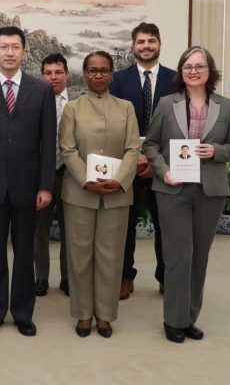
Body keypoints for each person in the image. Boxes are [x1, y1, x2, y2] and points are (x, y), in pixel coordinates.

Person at [143, 46, 230, 344]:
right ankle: (173, 320)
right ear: (181, 71)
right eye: (188, 66)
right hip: (173, 189)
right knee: (178, 257)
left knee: (199, 257)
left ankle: (189, 318)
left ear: (209, 70)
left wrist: (216, 151)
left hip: (209, 190)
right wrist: (163, 171)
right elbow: (150, 145)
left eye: (199, 66)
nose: (193, 71)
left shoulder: (226, 106)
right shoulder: (165, 103)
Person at [0, 26, 55, 337]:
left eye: (16, 47)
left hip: (28, 187)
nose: (10, 52)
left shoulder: (41, 91)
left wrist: (45, 185)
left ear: (24, 52)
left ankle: (22, 313)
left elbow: (48, 142)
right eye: (4, 47)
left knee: (25, 251)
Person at [58, 51, 141, 339]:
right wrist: (86, 180)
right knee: (80, 256)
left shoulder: (126, 107)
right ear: (85, 73)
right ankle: (83, 314)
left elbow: (133, 149)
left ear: (111, 74)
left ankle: (105, 315)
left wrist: (119, 180)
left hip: (116, 194)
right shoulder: (73, 109)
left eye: (103, 70)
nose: (98, 75)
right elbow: (67, 149)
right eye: (92, 70)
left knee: (110, 255)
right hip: (80, 194)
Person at [109, 22, 176, 300]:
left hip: (164, 162)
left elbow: (180, 126)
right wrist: (135, 159)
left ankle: (165, 276)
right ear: (133, 46)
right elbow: (112, 124)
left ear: (159, 44)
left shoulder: (176, 80)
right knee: (125, 225)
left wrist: (156, 160)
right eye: (140, 42)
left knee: (167, 224)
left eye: (151, 41)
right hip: (128, 163)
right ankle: (125, 276)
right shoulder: (118, 80)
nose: (146, 46)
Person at [35, 53, 70, 297]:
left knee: (71, 231)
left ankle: (68, 278)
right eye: (48, 73)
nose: (53, 77)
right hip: (39, 175)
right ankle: (41, 278)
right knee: (39, 231)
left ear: (66, 75)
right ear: (42, 76)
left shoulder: (77, 104)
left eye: (58, 72)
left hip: (70, 174)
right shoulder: (32, 102)